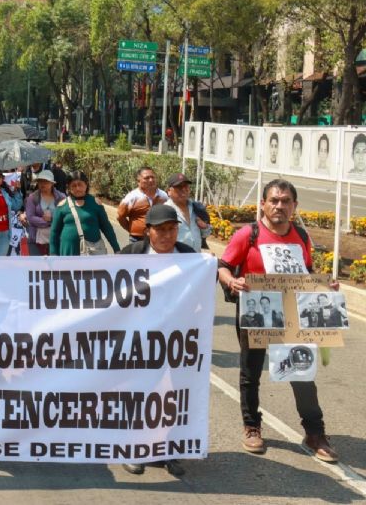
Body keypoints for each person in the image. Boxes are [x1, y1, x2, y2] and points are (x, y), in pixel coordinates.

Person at [218, 179, 339, 463]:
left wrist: (325, 288)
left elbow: (306, 273)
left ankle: (314, 433)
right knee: (251, 373)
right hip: (256, 311)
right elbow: (222, 266)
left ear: (294, 206)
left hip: (292, 313)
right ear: (263, 204)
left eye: (285, 201)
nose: (279, 206)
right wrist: (231, 280)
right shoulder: (248, 234)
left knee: (301, 372)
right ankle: (252, 426)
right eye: (274, 200)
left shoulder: (301, 235)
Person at [117, 204, 193, 477]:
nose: (167, 235)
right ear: (147, 231)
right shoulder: (130, 255)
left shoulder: (189, 257)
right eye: (160, 230)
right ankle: (134, 448)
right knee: (139, 394)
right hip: (140, 338)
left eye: (172, 229)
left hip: (178, 339)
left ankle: (170, 449)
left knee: (175, 395)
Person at [50, 171, 120, 256]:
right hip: (69, 251)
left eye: (80, 184)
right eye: (73, 185)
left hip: (92, 252)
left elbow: (107, 227)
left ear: (86, 185)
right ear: (68, 187)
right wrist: (53, 254)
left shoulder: (95, 203)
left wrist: (116, 249)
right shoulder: (62, 206)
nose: (77, 188)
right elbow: (54, 232)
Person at [117, 166, 168, 243]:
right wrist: (132, 230)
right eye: (146, 178)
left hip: (158, 239)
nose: (151, 180)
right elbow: (120, 217)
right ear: (138, 181)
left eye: (153, 177)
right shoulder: (131, 197)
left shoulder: (163, 196)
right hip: (137, 240)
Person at [163, 173, 210, 250]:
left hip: (195, 257)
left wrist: (204, 227)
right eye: (179, 186)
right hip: (176, 258)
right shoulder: (165, 210)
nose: (184, 189)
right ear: (169, 191)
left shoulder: (197, 208)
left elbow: (206, 234)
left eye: (186, 186)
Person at [24, 170, 65, 256]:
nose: (42, 184)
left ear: (52, 183)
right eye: (40, 181)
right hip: (36, 238)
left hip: (57, 238)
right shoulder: (32, 197)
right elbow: (30, 218)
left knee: (55, 265)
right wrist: (49, 222)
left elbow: (65, 216)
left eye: (46, 181)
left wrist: (52, 218)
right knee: (38, 266)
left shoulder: (61, 197)